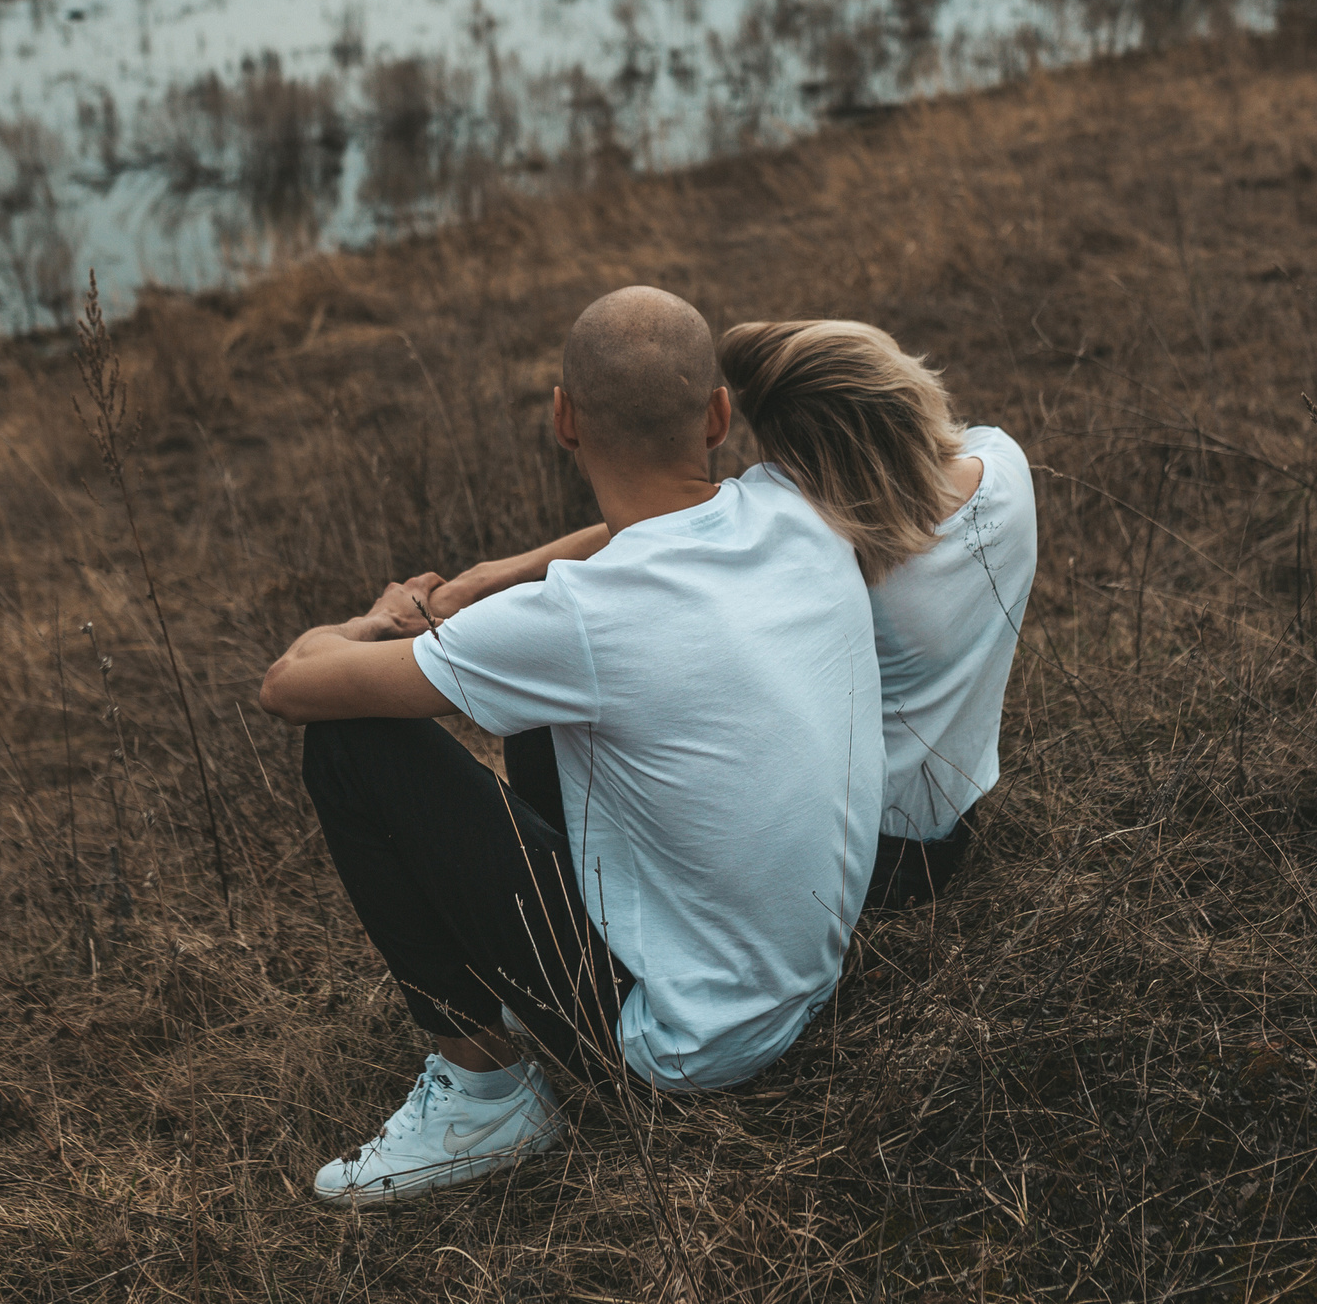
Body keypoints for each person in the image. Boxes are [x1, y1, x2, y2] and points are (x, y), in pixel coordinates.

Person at [256, 286, 882, 1206]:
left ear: (563, 419)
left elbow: (288, 686)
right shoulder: (794, 505)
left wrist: (378, 619)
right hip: (806, 973)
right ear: (717, 418)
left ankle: (485, 1097)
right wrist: (498, 576)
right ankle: (527, 988)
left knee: (351, 746)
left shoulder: (576, 620)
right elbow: (650, 530)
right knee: (551, 706)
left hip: (680, 1045)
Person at [441, 319, 1035, 913]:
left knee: (555, 712)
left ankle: (575, 922)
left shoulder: (827, 545)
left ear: (807, 467)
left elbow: (678, 526)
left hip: (862, 861)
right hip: (955, 820)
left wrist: (500, 574)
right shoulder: (1004, 463)